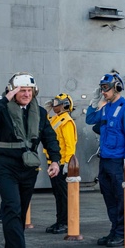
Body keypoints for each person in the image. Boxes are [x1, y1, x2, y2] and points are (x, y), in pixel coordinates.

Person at [0, 73, 61, 248]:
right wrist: (5, 98)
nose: (25, 94)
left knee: (19, 213)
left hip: (28, 168)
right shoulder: (2, 109)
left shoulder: (40, 113)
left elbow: (49, 137)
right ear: (12, 91)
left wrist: (55, 160)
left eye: (29, 91)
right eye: (21, 90)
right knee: (13, 208)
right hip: (5, 165)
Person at [85, 72, 125, 247]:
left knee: (121, 198)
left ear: (117, 88)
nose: (103, 92)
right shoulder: (105, 107)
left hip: (118, 162)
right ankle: (115, 230)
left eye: (106, 89)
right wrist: (94, 101)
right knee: (109, 197)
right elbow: (90, 119)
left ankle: (122, 232)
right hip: (105, 159)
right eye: (101, 89)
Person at [44, 93, 77, 234]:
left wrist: (68, 164)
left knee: (63, 195)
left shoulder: (67, 121)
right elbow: (44, 126)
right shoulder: (56, 119)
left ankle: (65, 222)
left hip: (62, 164)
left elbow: (70, 145)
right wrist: (46, 111)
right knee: (58, 195)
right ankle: (60, 221)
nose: (54, 104)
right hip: (53, 162)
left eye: (57, 102)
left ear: (65, 105)